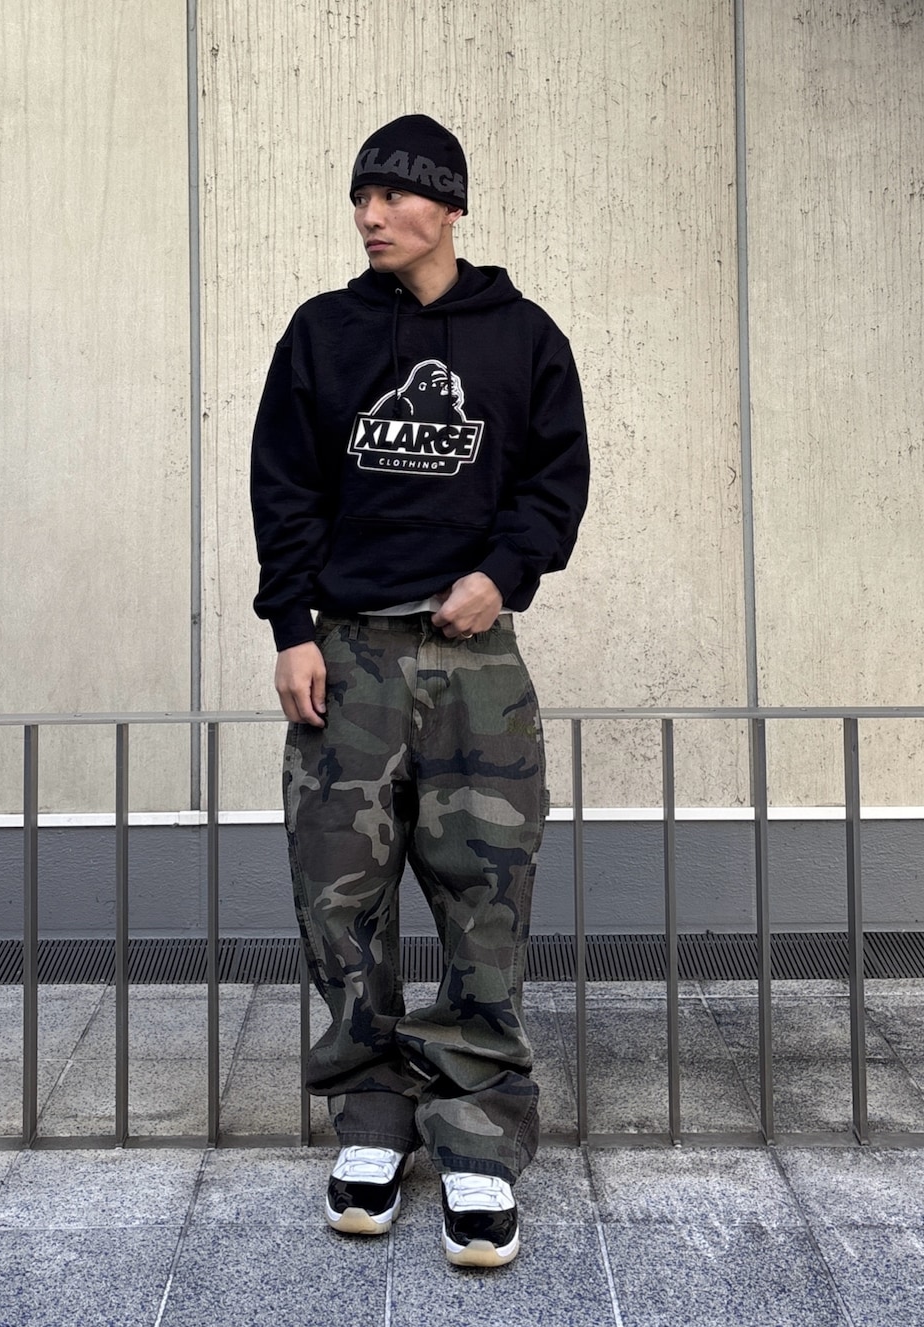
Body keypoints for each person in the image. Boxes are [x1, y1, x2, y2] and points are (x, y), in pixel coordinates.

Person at [250, 114, 588, 1267]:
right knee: (338, 896)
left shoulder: (522, 338)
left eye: (392, 196)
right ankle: (374, 1118)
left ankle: (479, 1133)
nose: (370, 216)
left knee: (484, 899)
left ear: (447, 206)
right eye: (360, 198)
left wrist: (503, 572)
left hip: (472, 665)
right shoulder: (325, 332)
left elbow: (554, 480)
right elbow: (284, 486)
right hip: (346, 654)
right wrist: (292, 629)